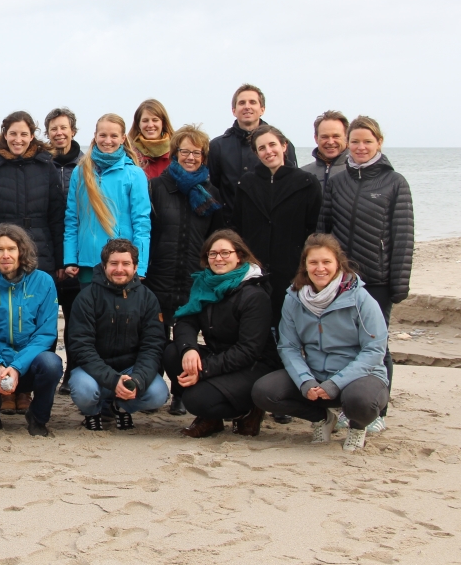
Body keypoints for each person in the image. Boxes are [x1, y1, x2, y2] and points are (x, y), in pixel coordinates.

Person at [318, 115, 413, 431]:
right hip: (343, 281)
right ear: (348, 143)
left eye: (366, 141)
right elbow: (324, 229)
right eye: (355, 141)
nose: (360, 147)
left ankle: (378, 412)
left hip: (379, 279)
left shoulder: (394, 182)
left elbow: (403, 236)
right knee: (345, 344)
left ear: (378, 143)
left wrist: (399, 283)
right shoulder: (339, 181)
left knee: (377, 345)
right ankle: (348, 406)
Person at [252, 234, 389, 451]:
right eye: (313, 262)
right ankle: (322, 419)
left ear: (338, 264)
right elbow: (289, 346)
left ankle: (357, 427)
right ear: (305, 266)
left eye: (326, 262)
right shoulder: (294, 298)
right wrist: (305, 380)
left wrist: (336, 383)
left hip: (360, 377)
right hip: (316, 375)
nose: (320, 268)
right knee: (264, 391)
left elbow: (374, 350)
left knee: (361, 402)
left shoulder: (360, 298)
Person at [0, 111, 64, 414]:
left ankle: (26, 391)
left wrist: (61, 260)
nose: (18, 140)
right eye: (13, 134)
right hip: (1, 252)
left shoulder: (46, 167)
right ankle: (5, 391)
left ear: (32, 135)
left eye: (24, 134)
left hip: (42, 252)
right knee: (2, 320)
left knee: (36, 324)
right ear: (4, 134)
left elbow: (56, 216)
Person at [164, 230, 282, 438]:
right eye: (213, 254)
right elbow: (185, 321)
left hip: (254, 365)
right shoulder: (204, 284)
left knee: (196, 400)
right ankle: (212, 419)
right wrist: (189, 349)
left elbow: (248, 350)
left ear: (239, 256)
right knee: (173, 353)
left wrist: (204, 370)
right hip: (220, 356)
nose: (218, 258)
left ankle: (249, 409)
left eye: (225, 253)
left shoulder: (254, 293)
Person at [143, 124, 224, 415]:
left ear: (204, 156)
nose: (190, 157)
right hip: (159, 274)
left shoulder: (210, 192)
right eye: (185, 151)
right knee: (155, 336)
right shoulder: (157, 187)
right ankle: (152, 388)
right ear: (175, 153)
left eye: (197, 152)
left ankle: (179, 393)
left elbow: (215, 237)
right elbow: (147, 231)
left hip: (194, 277)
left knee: (186, 337)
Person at [0, 225, 62, 436]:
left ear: (21, 251)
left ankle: (38, 418)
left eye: (11, 249)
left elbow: (45, 334)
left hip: (29, 361)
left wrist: (16, 367)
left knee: (52, 364)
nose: (5, 255)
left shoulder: (43, 281)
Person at [68, 239, 168, 430]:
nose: (119, 269)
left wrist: (137, 379)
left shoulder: (148, 298)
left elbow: (153, 346)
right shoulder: (87, 297)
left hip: (131, 368)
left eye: (126, 264)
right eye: (114, 264)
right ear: (104, 266)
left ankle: (121, 407)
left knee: (157, 394)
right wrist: (112, 380)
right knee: (84, 392)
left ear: (135, 267)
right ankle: (93, 411)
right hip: (93, 371)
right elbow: (81, 346)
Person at [233, 125, 322, 332]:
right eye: (261, 148)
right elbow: (238, 226)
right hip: (256, 271)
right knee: (256, 325)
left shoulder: (306, 182)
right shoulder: (247, 183)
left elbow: (315, 228)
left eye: (272, 144)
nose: (268, 151)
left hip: (292, 269)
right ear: (256, 153)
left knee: (290, 327)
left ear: (284, 146)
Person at [63, 113, 151, 286]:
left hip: (120, 264)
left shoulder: (134, 174)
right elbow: (72, 219)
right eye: (102, 135)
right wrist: (71, 258)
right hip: (87, 263)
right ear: (95, 136)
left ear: (123, 138)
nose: (107, 140)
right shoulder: (80, 172)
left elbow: (142, 223)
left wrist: (139, 266)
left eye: (114, 136)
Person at [208, 84, 297, 225]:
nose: (247, 107)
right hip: (229, 227)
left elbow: (292, 185)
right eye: (242, 103)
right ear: (234, 110)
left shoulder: (281, 145)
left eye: (253, 102)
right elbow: (212, 189)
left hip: (271, 225)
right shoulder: (217, 146)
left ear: (262, 109)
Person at [45, 107, 82, 394]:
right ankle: (44, 371)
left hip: (75, 253)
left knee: (74, 318)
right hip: (45, 251)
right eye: (53, 128)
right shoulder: (41, 163)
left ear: (73, 130)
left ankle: (73, 371)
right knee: (44, 318)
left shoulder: (85, 165)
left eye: (63, 128)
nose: (59, 133)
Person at [300, 111, 350, 197]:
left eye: (336, 136)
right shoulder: (302, 174)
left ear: (346, 137)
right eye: (324, 137)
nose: (330, 142)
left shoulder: (358, 172)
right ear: (316, 138)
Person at [128, 99, 176, 179]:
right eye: (145, 121)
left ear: (163, 123)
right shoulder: (130, 155)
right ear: (138, 125)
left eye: (155, 120)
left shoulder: (177, 153)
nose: (150, 125)